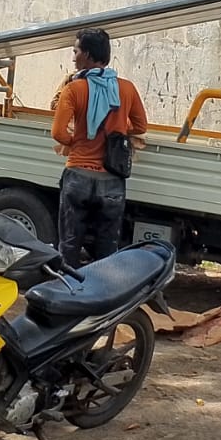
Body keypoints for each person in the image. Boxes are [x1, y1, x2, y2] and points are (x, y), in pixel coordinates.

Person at [51, 29, 148, 266]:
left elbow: (58, 133)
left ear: (87, 55)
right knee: (107, 247)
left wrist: (78, 142)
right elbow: (140, 125)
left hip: (78, 176)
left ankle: (69, 292)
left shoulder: (73, 89)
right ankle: (101, 294)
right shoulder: (126, 89)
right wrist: (116, 132)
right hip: (112, 178)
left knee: (70, 244)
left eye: (75, 51)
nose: (73, 57)